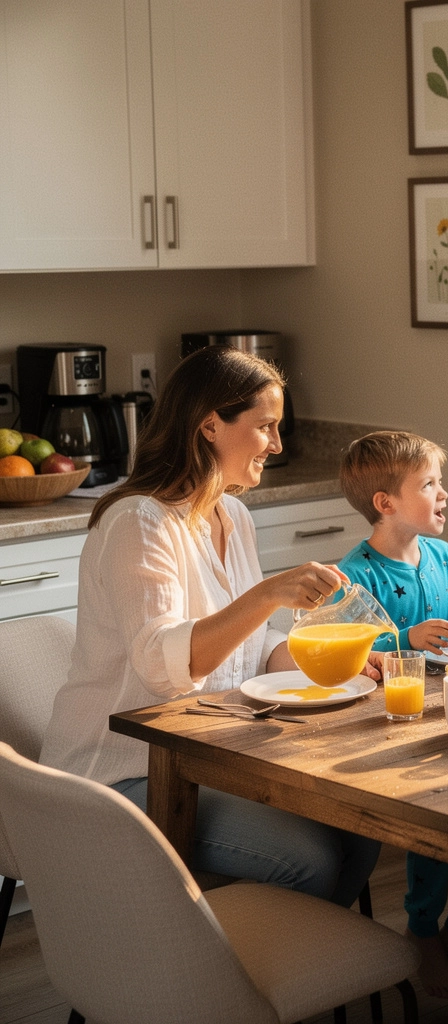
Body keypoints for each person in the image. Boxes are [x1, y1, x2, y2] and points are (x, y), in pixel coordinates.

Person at [40, 345, 380, 909]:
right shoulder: (138, 522)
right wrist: (268, 593)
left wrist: (340, 664)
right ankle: (224, 962)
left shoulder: (233, 515)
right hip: (122, 774)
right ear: (209, 426)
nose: (277, 443)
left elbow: (252, 647)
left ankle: (288, 958)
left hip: (207, 757)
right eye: (265, 426)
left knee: (362, 829)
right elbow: (162, 664)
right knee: (308, 860)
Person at [337, 429, 448, 999]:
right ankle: (422, 931)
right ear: (385, 502)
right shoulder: (356, 575)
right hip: (393, 724)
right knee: (433, 827)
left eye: (440, 482)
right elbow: (348, 654)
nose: (443, 494)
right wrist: (405, 639)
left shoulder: (443, 556)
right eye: (429, 484)